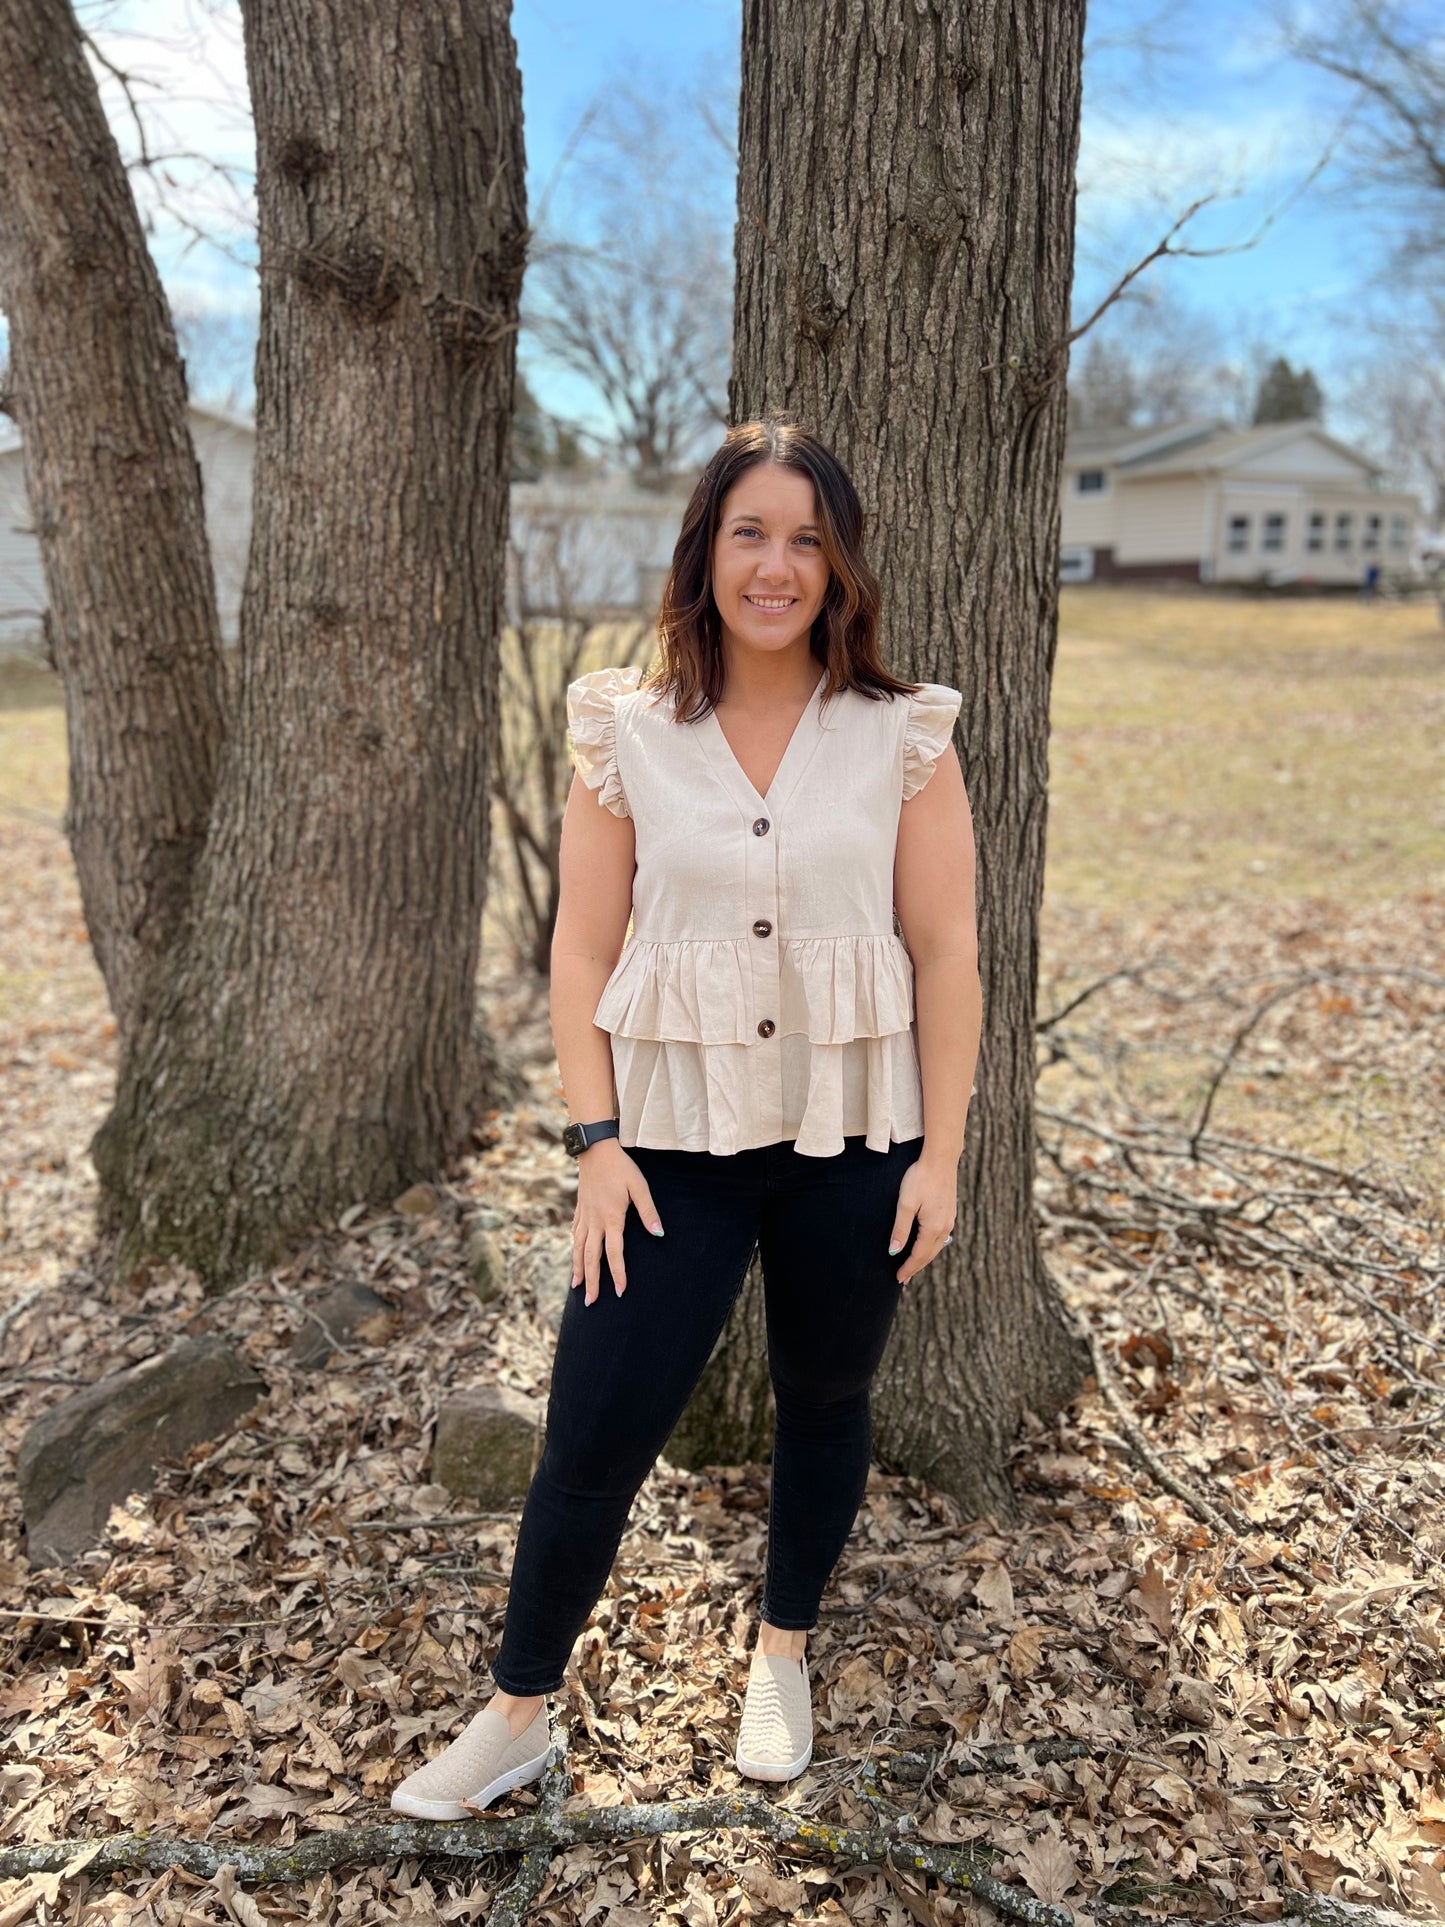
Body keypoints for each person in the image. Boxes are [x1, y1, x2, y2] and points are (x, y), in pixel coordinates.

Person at [390, 415, 980, 1820]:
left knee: (823, 1400)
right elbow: (580, 955)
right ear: (704, 551)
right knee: (593, 1428)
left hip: (852, 1137)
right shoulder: (629, 730)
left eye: (804, 539)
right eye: (748, 534)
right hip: (665, 1150)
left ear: (839, 566)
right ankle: (518, 1710)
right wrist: (594, 1147)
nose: (775, 567)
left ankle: (782, 1651)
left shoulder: (900, 737)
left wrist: (942, 1156)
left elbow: (949, 952)